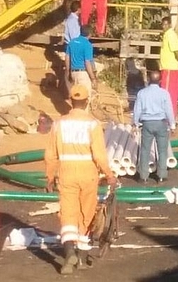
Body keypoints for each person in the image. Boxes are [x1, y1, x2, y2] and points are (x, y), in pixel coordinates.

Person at [44, 84, 117, 275]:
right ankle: (82, 258)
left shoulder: (59, 123)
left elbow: (51, 154)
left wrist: (50, 177)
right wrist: (109, 174)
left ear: (70, 100)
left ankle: (69, 253)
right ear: (86, 101)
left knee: (68, 213)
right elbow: (100, 155)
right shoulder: (93, 124)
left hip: (66, 173)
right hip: (88, 173)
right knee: (87, 213)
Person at [132, 69, 176, 183]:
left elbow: (137, 109)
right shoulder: (164, 93)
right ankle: (161, 175)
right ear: (160, 80)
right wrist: (172, 125)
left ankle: (143, 176)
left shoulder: (142, 93)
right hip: (161, 123)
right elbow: (169, 110)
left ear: (148, 79)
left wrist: (135, 124)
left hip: (147, 124)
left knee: (145, 149)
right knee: (162, 150)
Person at [159, 16, 178, 118]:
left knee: (167, 96)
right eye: (163, 24)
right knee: (169, 95)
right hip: (167, 69)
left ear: (170, 25)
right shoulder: (167, 35)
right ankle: (169, 119)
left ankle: (167, 119)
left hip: (170, 70)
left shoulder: (170, 35)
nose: (164, 26)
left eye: (166, 24)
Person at [65, 25, 97, 95]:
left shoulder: (71, 42)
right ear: (90, 34)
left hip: (73, 73)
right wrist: (93, 78)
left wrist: (68, 72)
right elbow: (87, 62)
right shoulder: (87, 45)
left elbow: (67, 58)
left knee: (76, 97)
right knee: (85, 97)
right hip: (83, 74)